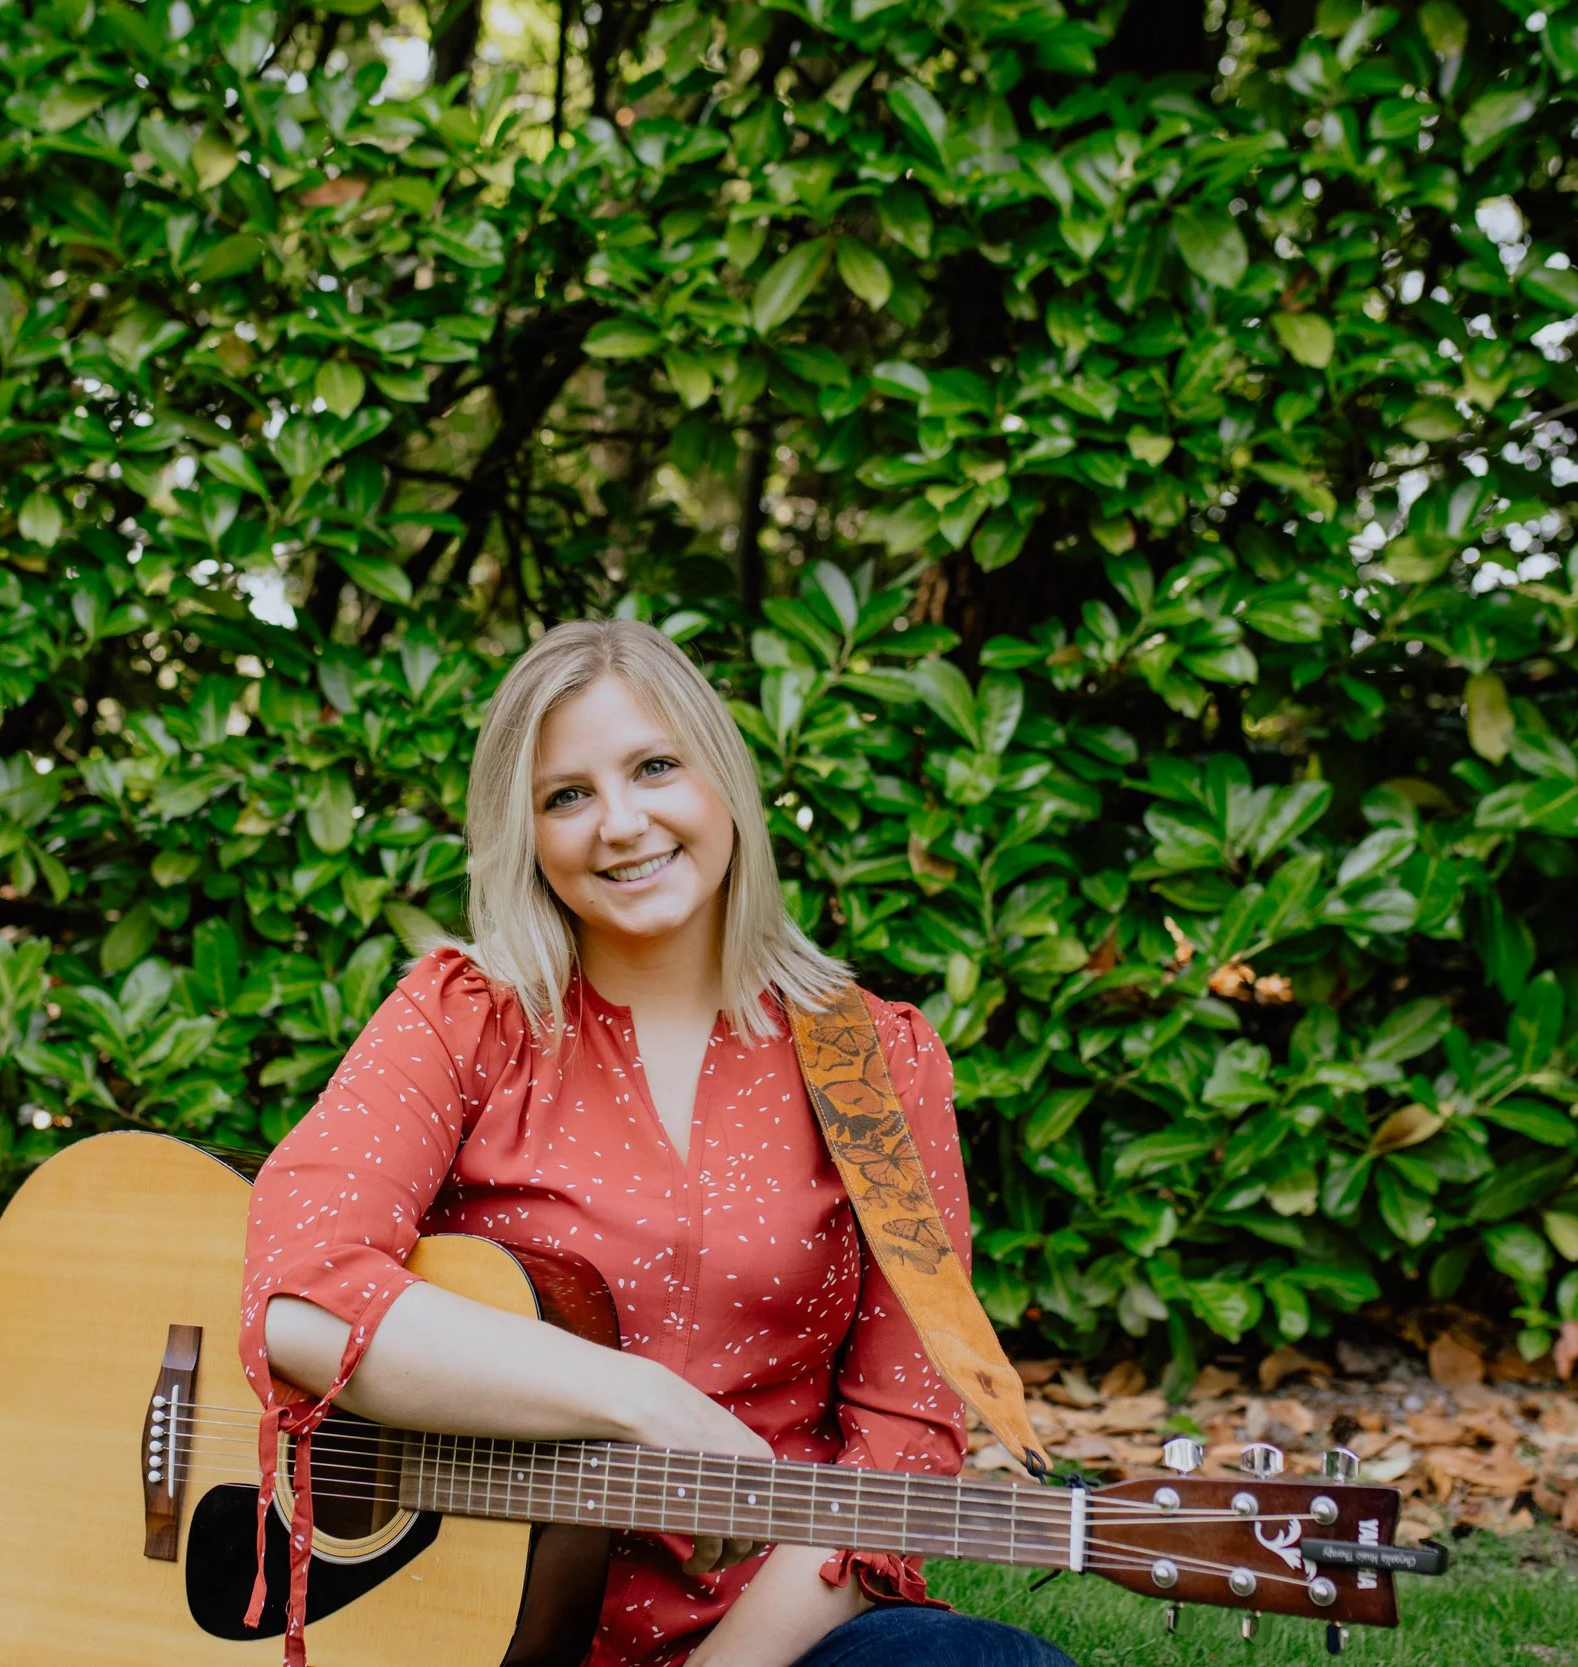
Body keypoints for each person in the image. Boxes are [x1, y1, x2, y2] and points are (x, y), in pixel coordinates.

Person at [239, 619, 1073, 1667]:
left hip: (771, 1632)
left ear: (722, 779)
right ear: (527, 833)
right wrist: (641, 1401)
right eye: (567, 795)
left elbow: (902, 1436)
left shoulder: (876, 1064)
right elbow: (301, 1296)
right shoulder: (464, 1018)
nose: (621, 824)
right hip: (464, 1623)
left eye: (655, 766)